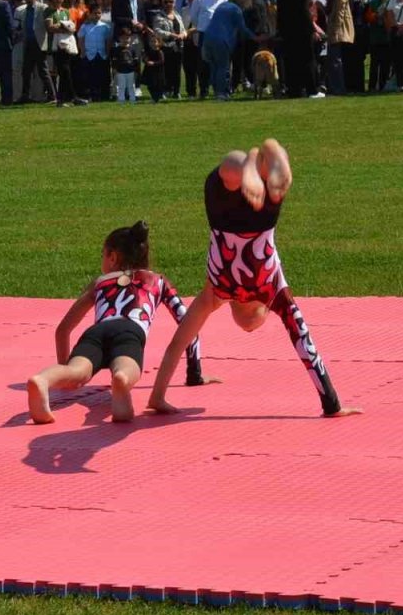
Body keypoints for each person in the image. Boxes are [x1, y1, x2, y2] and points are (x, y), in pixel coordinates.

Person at [146, 140, 358, 419]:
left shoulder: (267, 295)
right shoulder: (217, 294)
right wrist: (157, 396)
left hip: (261, 223)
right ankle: (250, 164)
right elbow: (177, 345)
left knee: (268, 186)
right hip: (224, 221)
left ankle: (262, 159)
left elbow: (307, 349)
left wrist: (332, 404)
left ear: (264, 309)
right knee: (228, 173)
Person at [26, 221, 207, 424]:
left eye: (102, 255)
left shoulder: (101, 282)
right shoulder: (158, 281)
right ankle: (121, 380)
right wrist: (194, 373)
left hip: (96, 332)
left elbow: (63, 329)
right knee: (126, 366)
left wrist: (66, 377)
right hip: (129, 332)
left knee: (77, 371)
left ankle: (43, 380)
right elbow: (188, 323)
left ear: (112, 257)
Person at [201, 0, 258, 100]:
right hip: (221, 41)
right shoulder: (236, 10)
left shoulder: (221, 6)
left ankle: (216, 91)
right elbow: (242, 29)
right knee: (223, 67)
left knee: (214, 66)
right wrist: (255, 37)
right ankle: (222, 94)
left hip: (208, 38)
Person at [112, 24, 143, 105]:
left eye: (128, 38)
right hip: (120, 71)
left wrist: (136, 70)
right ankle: (121, 100)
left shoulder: (132, 49)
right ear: (119, 38)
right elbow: (114, 61)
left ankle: (132, 99)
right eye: (124, 38)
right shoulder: (117, 49)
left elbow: (135, 61)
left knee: (131, 86)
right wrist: (114, 69)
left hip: (130, 71)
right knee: (121, 86)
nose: (126, 40)